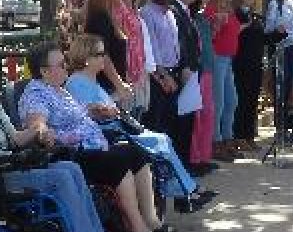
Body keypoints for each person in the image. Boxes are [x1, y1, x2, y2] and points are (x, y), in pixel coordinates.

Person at [0, 46, 120, 232]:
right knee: (61, 178)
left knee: (71, 168)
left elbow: (14, 139)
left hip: (9, 166)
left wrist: (38, 130)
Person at [18, 43, 173, 232]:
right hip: (73, 154)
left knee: (136, 153)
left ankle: (151, 220)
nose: (66, 67)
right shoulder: (36, 93)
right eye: (61, 64)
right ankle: (138, 230)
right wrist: (43, 132)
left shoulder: (59, 90)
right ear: (45, 71)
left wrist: (94, 109)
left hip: (93, 146)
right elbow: (37, 122)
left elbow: (75, 115)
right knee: (117, 162)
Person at [64, 35, 215, 214]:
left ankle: (185, 191)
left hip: (115, 126)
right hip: (106, 132)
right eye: (99, 53)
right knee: (160, 141)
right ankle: (186, 192)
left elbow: (103, 106)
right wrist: (108, 109)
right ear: (86, 58)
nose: (104, 57)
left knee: (162, 140)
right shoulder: (76, 82)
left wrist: (116, 101)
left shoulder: (90, 80)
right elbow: (87, 112)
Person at [140, 0, 206, 175]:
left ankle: (183, 175)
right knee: (162, 129)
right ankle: (166, 178)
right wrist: (163, 76)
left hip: (177, 74)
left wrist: (183, 68)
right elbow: (150, 49)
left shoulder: (169, 13)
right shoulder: (147, 13)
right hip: (159, 79)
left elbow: (179, 45)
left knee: (181, 128)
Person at [82, 0, 134, 101]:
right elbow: (103, 55)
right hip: (106, 85)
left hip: (111, 84)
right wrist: (119, 84)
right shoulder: (100, 18)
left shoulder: (105, 16)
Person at [114, 0, 156, 116]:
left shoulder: (133, 8)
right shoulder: (116, 9)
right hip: (124, 72)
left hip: (140, 71)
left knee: (139, 118)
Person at [206, 0, 240, 159]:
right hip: (217, 57)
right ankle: (215, 141)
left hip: (227, 59)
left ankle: (228, 137)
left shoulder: (229, 9)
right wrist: (217, 24)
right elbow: (208, 36)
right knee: (218, 101)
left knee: (231, 100)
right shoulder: (211, 9)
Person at [231, 0, 265, 150]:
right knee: (241, 100)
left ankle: (249, 134)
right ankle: (239, 135)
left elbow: (262, 37)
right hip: (241, 63)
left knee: (252, 100)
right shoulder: (235, 14)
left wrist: (280, 34)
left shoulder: (255, 16)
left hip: (255, 63)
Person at [264, 0, 293, 118]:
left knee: (290, 81)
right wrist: (277, 30)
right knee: (281, 83)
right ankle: (280, 120)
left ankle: (285, 117)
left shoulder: (290, 1)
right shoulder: (274, 3)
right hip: (280, 47)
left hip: (291, 45)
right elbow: (268, 28)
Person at [189, 0, 217, 166]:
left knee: (208, 113)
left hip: (207, 68)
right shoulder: (191, 18)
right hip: (197, 69)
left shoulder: (201, 18)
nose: (206, 0)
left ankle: (204, 155)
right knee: (198, 115)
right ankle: (195, 157)